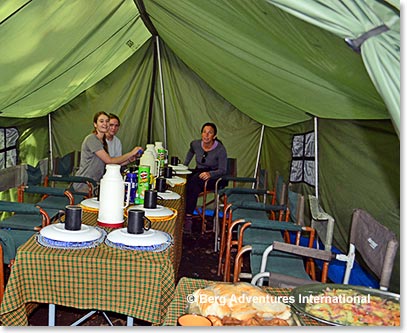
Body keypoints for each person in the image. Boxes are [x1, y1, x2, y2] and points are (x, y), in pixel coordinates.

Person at [73, 111, 143, 194]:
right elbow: (109, 160)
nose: (105, 124)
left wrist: (129, 160)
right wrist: (131, 153)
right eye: (101, 121)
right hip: (85, 184)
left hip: (96, 183)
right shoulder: (91, 139)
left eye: (107, 121)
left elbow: (109, 165)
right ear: (95, 124)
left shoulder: (103, 142)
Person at [183, 122, 227, 234]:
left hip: (215, 176)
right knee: (184, 181)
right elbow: (191, 151)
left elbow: (223, 170)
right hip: (199, 172)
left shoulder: (220, 149)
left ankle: (188, 219)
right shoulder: (195, 144)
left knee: (194, 183)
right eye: (204, 132)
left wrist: (210, 174)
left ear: (214, 136)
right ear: (201, 134)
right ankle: (183, 212)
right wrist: (184, 165)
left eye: (210, 133)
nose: (206, 135)